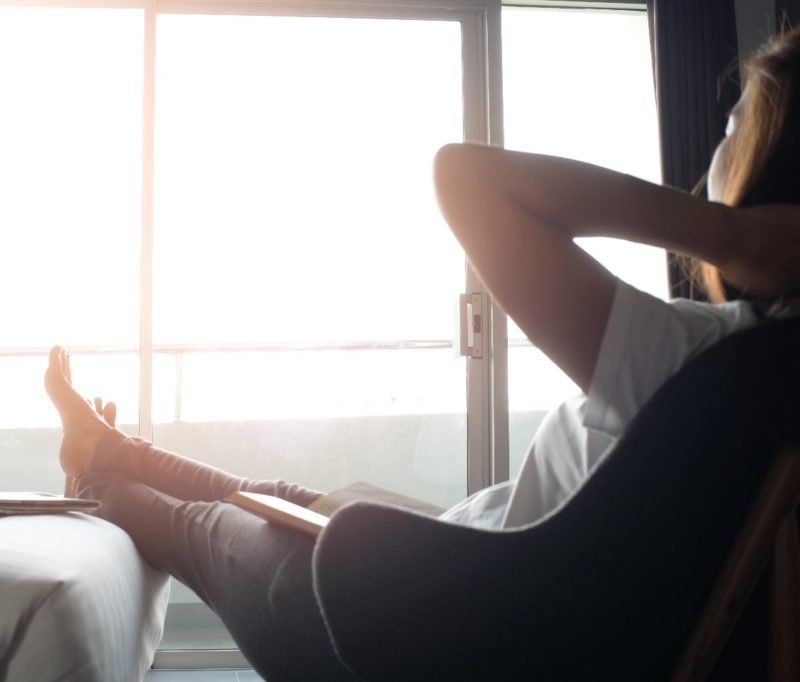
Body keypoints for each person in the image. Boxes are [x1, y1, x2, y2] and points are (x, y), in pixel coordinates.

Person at [45, 28, 800, 681]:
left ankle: (99, 473)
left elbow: (466, 178)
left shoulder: (711, 362)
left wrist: (733, 236)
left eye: (734, 122)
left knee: (208, 532)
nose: (714, 151)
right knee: (277, 494)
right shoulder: (738, 366)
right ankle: (118, 449)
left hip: (418, 629)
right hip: (466, 566)